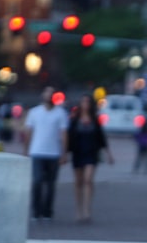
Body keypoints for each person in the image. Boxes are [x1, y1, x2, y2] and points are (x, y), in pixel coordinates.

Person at [22, 86, 70, 221]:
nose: (48, 96)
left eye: (51, 93)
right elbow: (28, 132)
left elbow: (64, 134)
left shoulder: (60, 113)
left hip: (53, 153)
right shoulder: (34, 112)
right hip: (37, 151)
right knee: (37, 181)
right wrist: (26, 149)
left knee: (50, 184)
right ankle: (36, 211)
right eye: (46, 93)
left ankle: (47, 211)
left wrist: (64, 153)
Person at [67, 93, 114, 222]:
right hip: (78, 152)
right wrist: (65, 152)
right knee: (78, 181)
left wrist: (108, 153)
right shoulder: (75, 120)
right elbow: (69, 137)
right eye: (83, 102)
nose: (85, 105)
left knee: (88, 180)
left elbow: (101, 137)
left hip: (91, 153)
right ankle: (79, 209)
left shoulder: (95, 119)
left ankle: (87, 210)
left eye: (87, 102)